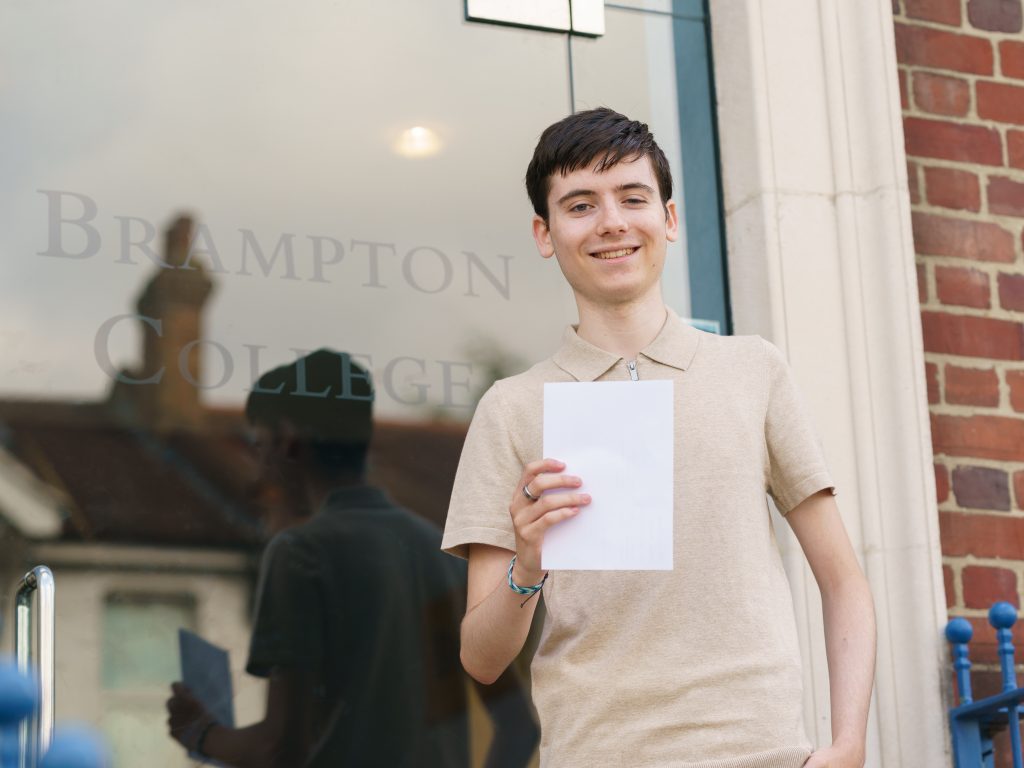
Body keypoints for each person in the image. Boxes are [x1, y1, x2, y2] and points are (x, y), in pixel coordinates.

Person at [441, 108, 876, 768]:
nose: (612, 222)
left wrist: (847, 745)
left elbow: (843, 581)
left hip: (763, 754)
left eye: (633, 198)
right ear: (545, 233)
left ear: (669, 218)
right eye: (580, 205)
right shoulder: (513, 408)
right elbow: (481, 657)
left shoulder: (754, 369)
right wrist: (527, 565)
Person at [167, 350, 537, 767]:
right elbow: (519, 728)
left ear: (287, 440)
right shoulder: (443, 556)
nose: (261, 467)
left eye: (261, 446)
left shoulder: (301, 553)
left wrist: (199, 731)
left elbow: (283, 748)